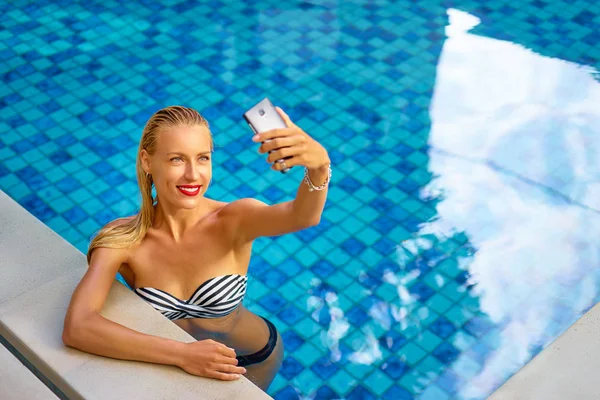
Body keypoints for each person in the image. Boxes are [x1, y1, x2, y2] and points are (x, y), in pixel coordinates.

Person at [61, 105, 331, 391]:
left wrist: (319, 166)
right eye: (177, 159)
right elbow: (78, 327)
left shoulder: (234, 220)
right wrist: (182, 354)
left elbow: (303, 216)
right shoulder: (122, 239)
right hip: (184, 360)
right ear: (147, 161)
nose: (193, 175)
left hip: (254, 356)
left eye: (203, 158)